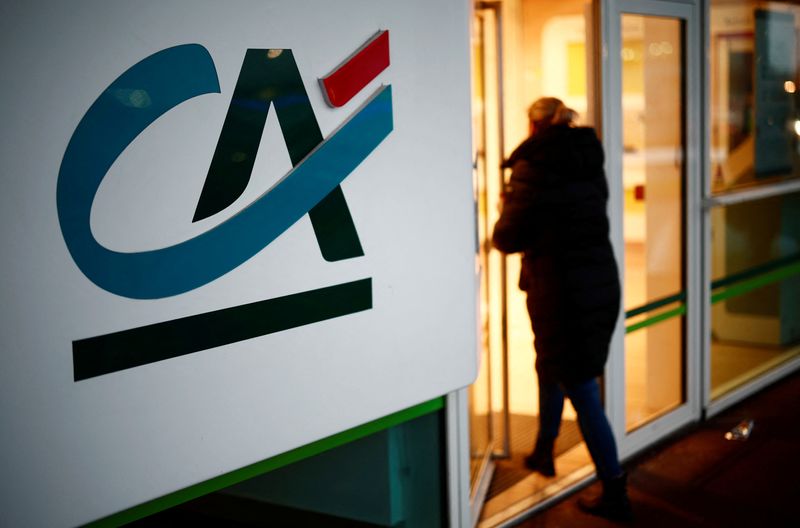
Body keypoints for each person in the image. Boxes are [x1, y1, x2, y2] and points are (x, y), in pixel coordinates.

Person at [492, 97, 632, 522]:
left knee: (581, 388)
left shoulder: (532, 168)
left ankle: (614, 489)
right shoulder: (588, 158)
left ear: (533, 127)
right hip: (597, 282)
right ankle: (543, 451)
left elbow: (507, 237)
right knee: (550, 365)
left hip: (562, 292)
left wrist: (504, 208)